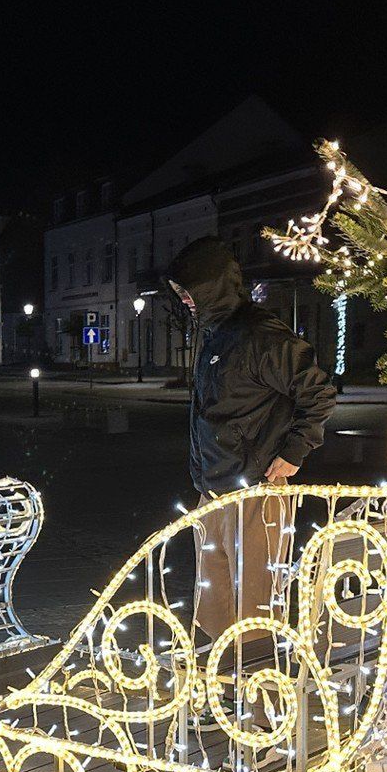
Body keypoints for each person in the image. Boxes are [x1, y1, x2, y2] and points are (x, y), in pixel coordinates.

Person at [166, 237, 337, 644]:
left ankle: (260, 702)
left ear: (210, 287)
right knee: (214, 609)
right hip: (212, 494)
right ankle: (224, 695)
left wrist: (294, 452)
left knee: (256, 614)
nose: (185, 302)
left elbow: (318, 392)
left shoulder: (260, 335)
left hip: (256, 496)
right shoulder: (214, 334)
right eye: (181, 294)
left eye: (189, 292)